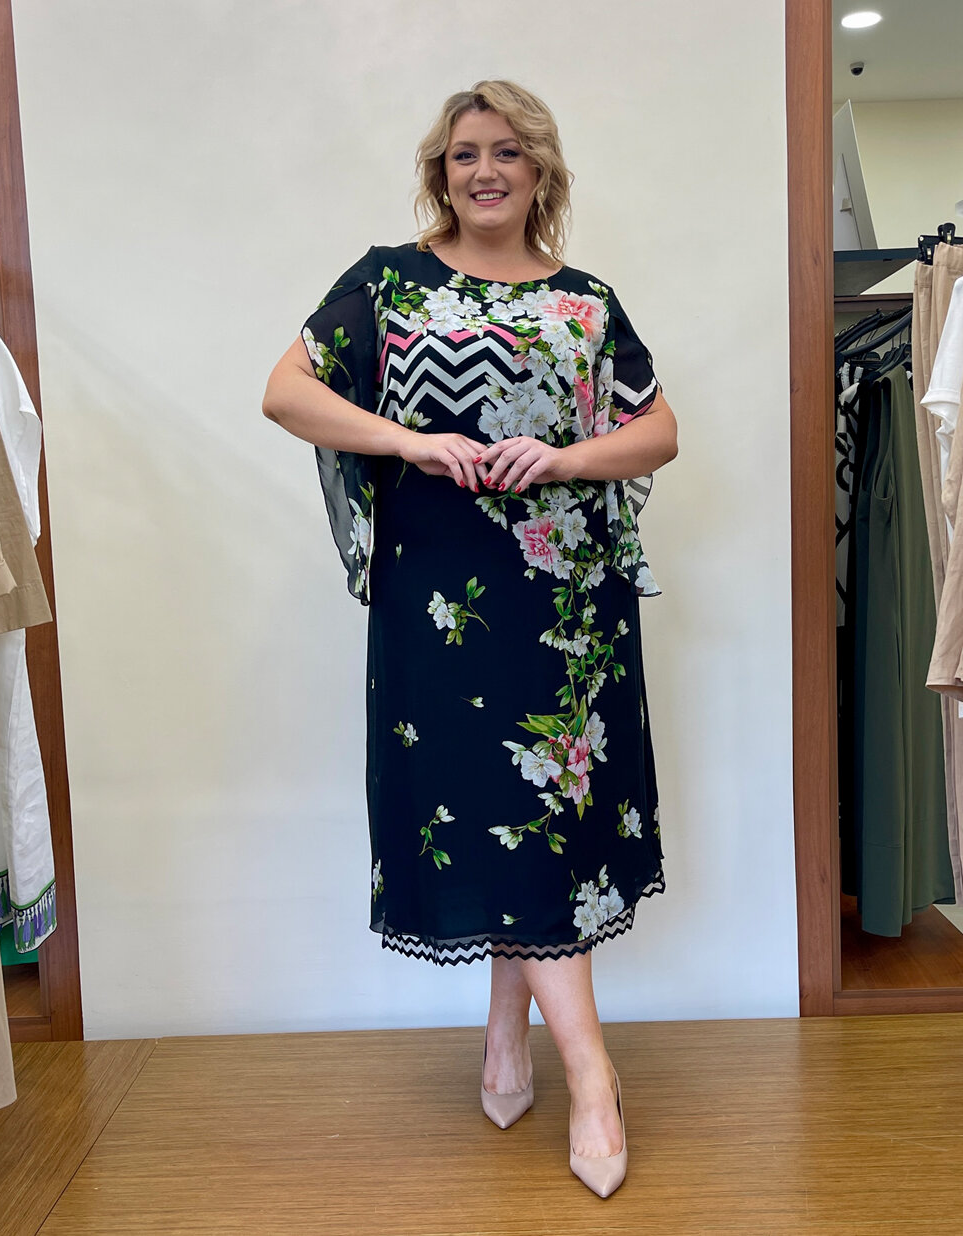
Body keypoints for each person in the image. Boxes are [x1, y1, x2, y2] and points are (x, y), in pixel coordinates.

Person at [262, 79, 678, 1198]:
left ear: (540, 170)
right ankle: (573, 1063)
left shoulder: (586, 301)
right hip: (439, 597)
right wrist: (409, 441)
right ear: (439, 174)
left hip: (567, 603)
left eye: (506, 151)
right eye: (463, 155)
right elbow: (286, 393)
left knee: (541, 820)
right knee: (487, 806)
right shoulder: (388, 283)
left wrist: (565, 458)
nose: (484, 171)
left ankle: (538, 1051)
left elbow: (658, 431)